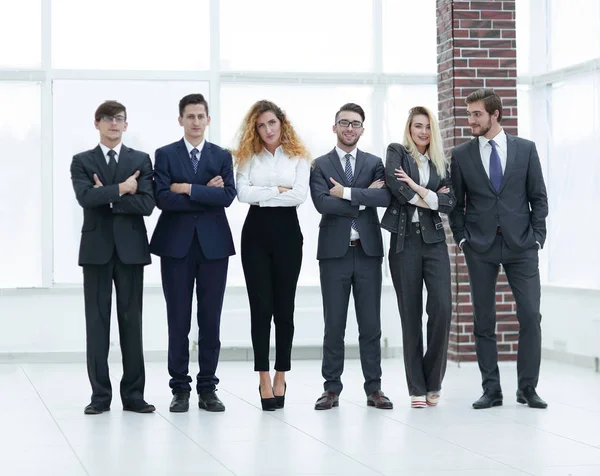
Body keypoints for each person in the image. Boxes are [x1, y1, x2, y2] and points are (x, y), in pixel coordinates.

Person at [448, 88, 549, 409]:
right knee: (483, 320)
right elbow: (456, 205)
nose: (470, 120)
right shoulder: (462, 155)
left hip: (522, 246)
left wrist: (538, 237)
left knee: (531, 316)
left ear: (495, 115)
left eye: (476, 114)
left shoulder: (526, 150)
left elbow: (539, 197)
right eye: (468, 114)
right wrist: (462, 238)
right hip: (480, 246)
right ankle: (491, 389)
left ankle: (527, 388)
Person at [150, 93, 236, 413]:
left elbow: (227, 196)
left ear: (208, 119)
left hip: (214, 247)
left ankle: (207, 387)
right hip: (175, 247)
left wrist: (185, 188)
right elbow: (162, 198)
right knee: (178, 319)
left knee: (210, 319)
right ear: (181, 120)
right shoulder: (166, 155)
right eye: (190, 116)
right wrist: (205, 192)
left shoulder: (221, 155)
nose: (196, 122)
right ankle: (180, 389)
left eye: (201, 116)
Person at [70, 100, 155, 415]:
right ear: (97, 124)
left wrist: (107, 196)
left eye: (119, 119)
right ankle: (100, 396)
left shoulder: (142, 160)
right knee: (97, 324)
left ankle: (134, 395)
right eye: (107, 119)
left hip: (131, 252)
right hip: (96, 252)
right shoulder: (82, 161)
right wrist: (123, 188)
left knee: (132, 323)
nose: (114, 124)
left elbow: (147, 205)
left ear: (126, 125)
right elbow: (85, 198)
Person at [310, 103, 393, 410]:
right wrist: (362, 195)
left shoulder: (374, 163)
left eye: (355, 123)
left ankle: (374, 389)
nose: (349, 128)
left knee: (371, 325)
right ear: (335, 127)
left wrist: (345, 193)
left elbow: (384, 197)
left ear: (362, 129)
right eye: (344, 122)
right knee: (334, 324)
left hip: (368, 252)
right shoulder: (319, 164)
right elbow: (322, 203)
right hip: (334, 254)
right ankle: (331, 389)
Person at [233, 100, 310, 411]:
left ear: (282, 123)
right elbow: (242, 193)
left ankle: (281, 374)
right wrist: (278, 192)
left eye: (272, 123)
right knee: (260, 309)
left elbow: (300, 195)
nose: (267, 130)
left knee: (285, 310)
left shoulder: (298, 157)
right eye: (261, 125)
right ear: (255, 128)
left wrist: (262, 194)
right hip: (255, 236)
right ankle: (263, 377)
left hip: (288, 237)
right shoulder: (248, 156)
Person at [381, 106, 455, 408]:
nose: (423, 131)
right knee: (409, 314)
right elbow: (396, 188)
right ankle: (416, 388)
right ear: (409, 128)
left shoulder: (440, 162)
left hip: (435, 241)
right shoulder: (396, 151)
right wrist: (429, 195)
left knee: (442, 308)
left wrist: (414, 186)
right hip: (404, 241)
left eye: (427, 126)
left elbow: (449, 203)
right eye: (417, 126)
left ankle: (433, 380)